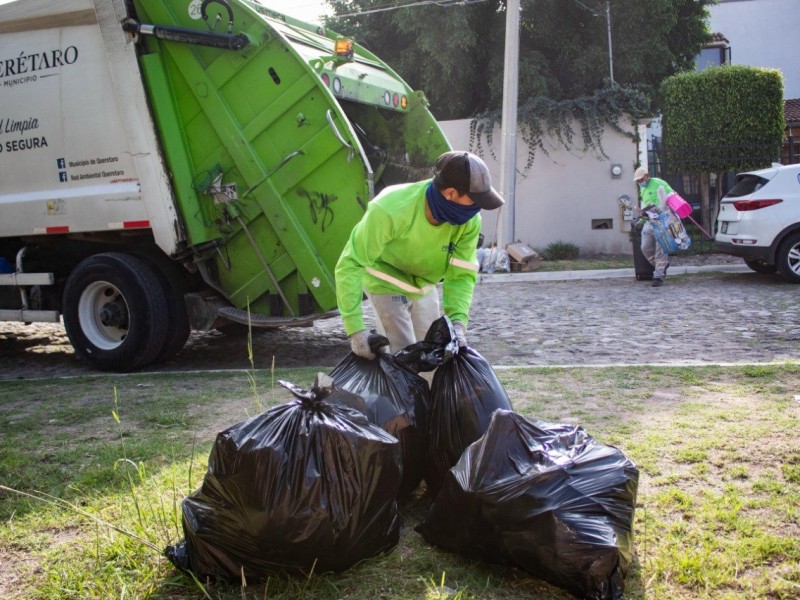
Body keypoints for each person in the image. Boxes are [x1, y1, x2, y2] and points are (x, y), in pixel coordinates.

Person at [335, 151, 504, 359]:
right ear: (450, 193)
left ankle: (428, 392)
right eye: (474, 200)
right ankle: (400, 391)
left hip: (424, 285)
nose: (478, 208)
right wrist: (356, 331)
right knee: (404, 358)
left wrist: (458, 324)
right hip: (385, 281)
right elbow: (350, 264)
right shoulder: (390, 208)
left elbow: (461, 274)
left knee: (434, 354)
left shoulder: (469, 221)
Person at [633, 166, 673, 288]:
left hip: (662, 220)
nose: (640, 182)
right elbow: (646, 204)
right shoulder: (643, 190)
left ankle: (658, 276)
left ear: (647, 176)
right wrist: (641, 217)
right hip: (650, 220)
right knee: (645, 247)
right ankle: (661, 265)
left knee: (660, 249)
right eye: (638, 181)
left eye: (641, 180)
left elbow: (672, 196)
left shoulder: (659, 183)